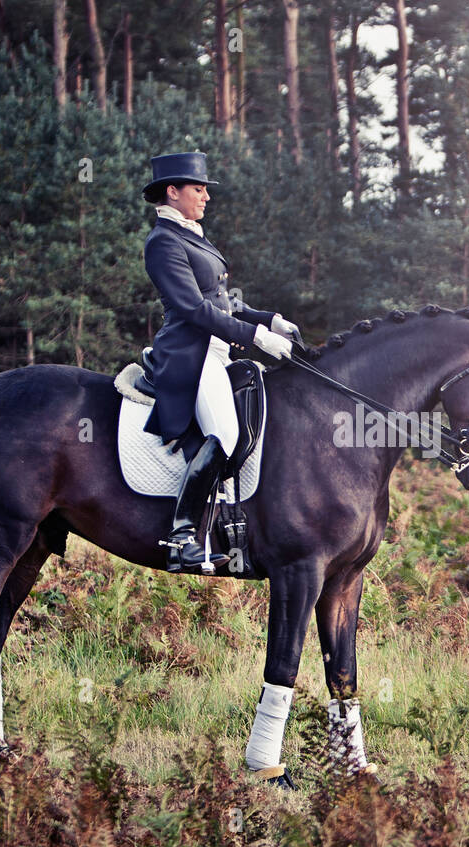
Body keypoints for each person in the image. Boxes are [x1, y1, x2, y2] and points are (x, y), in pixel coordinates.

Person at [140, 151, 300, 573]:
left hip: (217, 350)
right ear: (172, 192)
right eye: (199, 188)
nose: (207, 196)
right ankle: (181, 538)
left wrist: (270, 320)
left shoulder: (193, 236)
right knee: (225, 434)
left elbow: (223, 305)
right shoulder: (163, 242)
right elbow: (194, 309)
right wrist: (255, 337)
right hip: (189, 355)